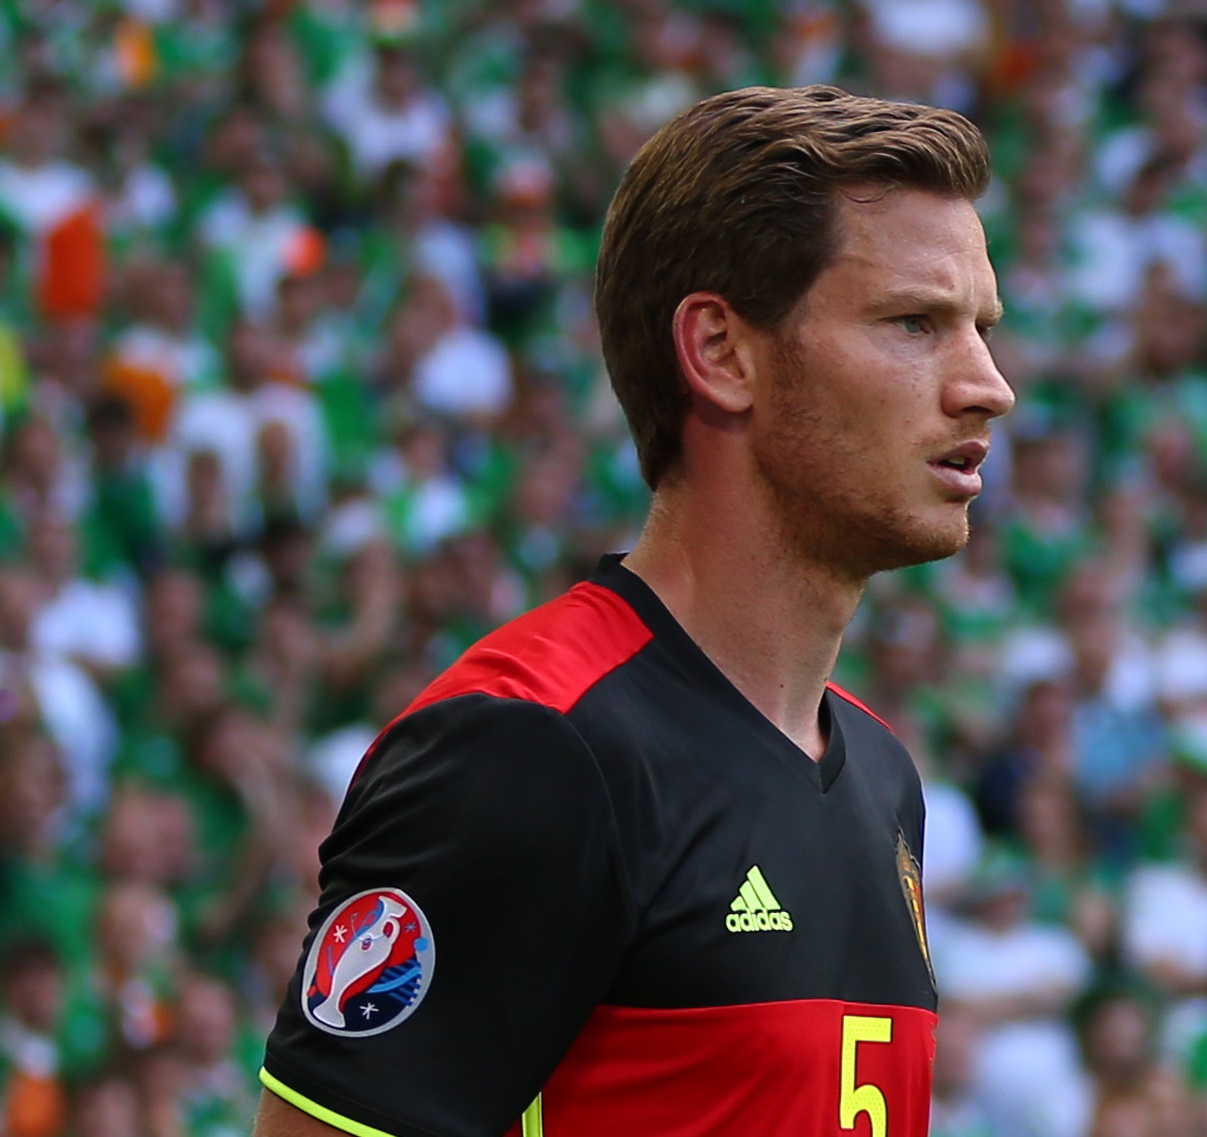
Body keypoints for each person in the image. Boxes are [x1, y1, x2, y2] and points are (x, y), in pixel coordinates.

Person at [252, 84, 1013, 1137]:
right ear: (721, 352)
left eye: (980, 328)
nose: (987, 384)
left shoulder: (883, 776)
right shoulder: (531, 748)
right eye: (913, 323)